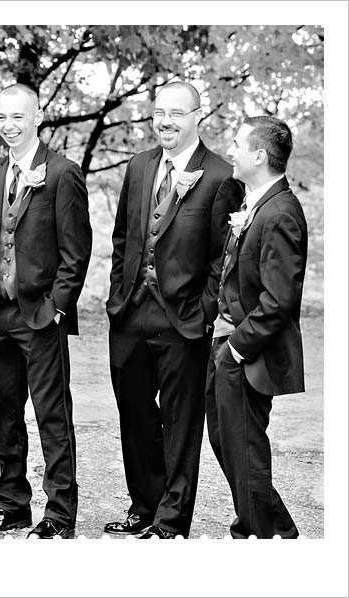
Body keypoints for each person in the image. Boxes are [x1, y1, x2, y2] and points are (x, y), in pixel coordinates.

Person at [104, 81, 242, 538]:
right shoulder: (140, 166)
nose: (165, 121)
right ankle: (144, 506)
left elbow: (225, 257)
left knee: (182, 424)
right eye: (159, 112)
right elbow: (123, 236)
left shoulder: (221, 176)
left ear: (197, 117)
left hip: (183, 319)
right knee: (135, 413)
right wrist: (116, 295)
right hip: (129, 313)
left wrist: (203, 311)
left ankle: (170, 522)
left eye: (176, 113)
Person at [0, 84, 92, 539]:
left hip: (40, 314)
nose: (8, 125)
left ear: (37, 117)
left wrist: (57, 308)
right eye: (1, 117)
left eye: (17, 117)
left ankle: (60, 513)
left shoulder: (62, 173)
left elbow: (76, 252)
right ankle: (12, 504)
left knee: (51, 415)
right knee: (4, 412)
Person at [206, 115, 306, 538]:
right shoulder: (256, 202)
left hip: (247, 354)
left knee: (244, 449)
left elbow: (279, 300)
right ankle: (278, 530)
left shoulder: (281, 212)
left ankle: (257, 537)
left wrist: (235, 350)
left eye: (236, 143)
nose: (230, 149)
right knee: (227, 443)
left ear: (260, 155)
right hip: (224, 343)